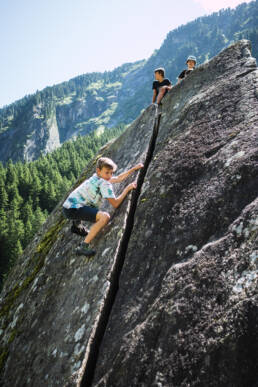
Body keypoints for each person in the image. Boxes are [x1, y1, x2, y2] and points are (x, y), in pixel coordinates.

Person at [62, 157, 143, 256]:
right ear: (98, 171)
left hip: (68, 205)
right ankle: (83, 246)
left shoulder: (97, 177)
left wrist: (134, 169)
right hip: (73, 210)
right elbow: (116, 204)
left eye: (111, 173)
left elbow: (118, 178)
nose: (109, 176)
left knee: (85, 202)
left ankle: (76, 226)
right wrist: (127, 189)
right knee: (105, 217)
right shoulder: (104, 183)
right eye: (107, 172)